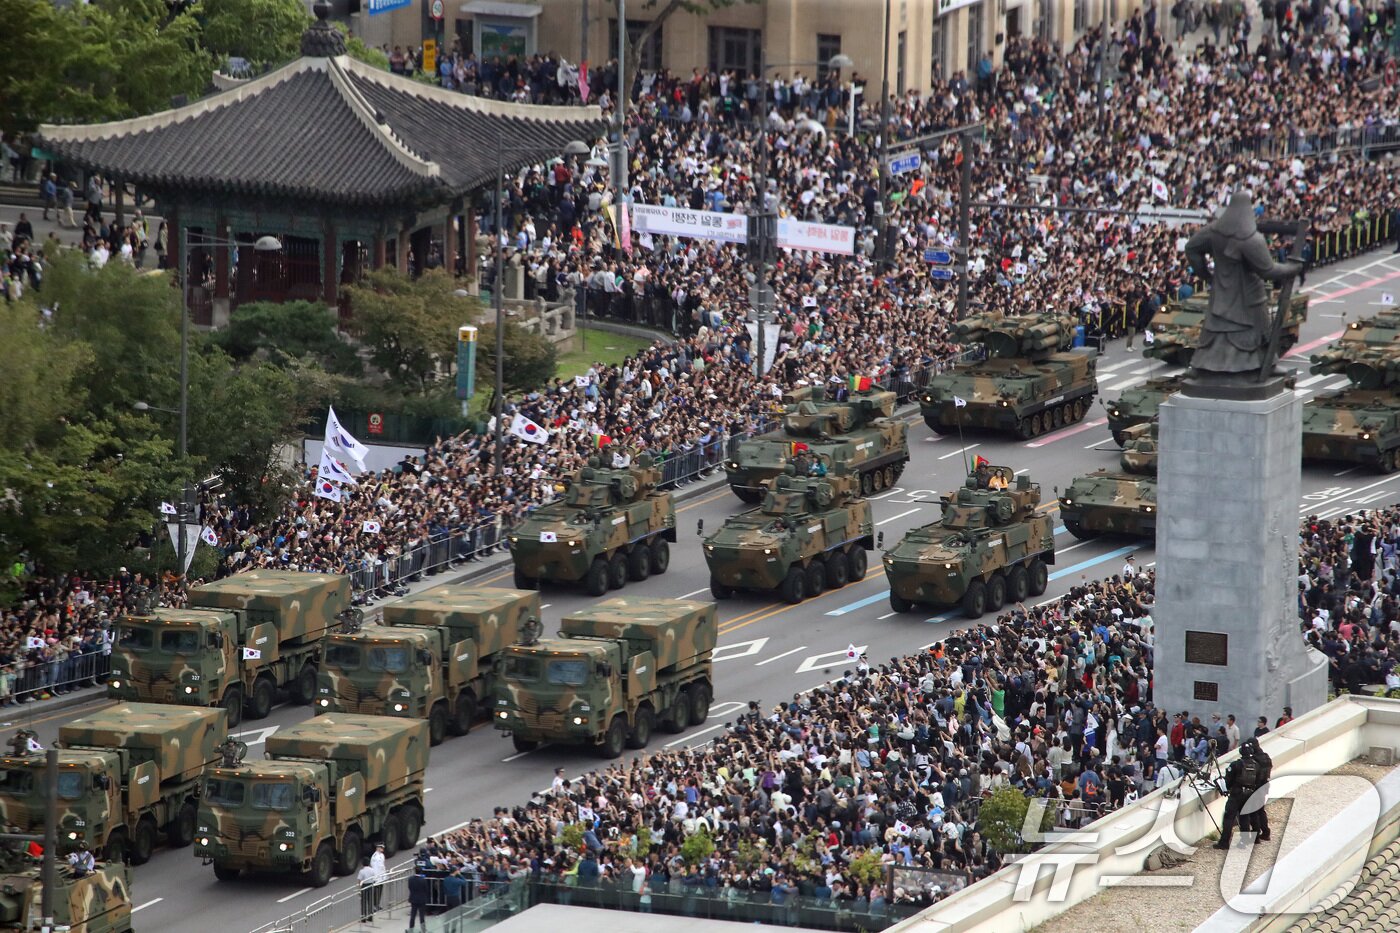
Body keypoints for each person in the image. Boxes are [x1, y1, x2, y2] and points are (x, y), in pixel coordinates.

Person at [1214, 737, 1268, 849]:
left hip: (1236, 794)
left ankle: (1224, 842)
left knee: (1229, 817)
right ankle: (1244, 842)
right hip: (1249, 794)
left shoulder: (1235, 765)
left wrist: (1228, 788)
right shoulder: (1256, 765)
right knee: (1245, 818)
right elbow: (1258, 780)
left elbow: (1228, 781)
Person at [407, 865, 430, 931]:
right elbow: (426, 889)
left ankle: (411, 928)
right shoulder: (423, 880)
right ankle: (423, 929)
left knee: (413, 915)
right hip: (421, 899)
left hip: (413, 898)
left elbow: (409, 887)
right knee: (421, 916)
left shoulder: (410, 879)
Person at [357, 856, 377, 921]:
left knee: (363, 902)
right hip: (371, 885)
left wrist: (359, 889)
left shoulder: (361, 871)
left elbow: (359, 881)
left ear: (363, 863)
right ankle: (370, 916)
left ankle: (363, 917)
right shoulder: (372, 870)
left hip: (364, 886)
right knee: (370, 901)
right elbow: (375, 878)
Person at [370, 842, 386, 909]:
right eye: (381, 847)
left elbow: (382, 867)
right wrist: (375, 878)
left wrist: (384, 876)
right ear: (378, 848)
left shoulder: (382, 855)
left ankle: (377, 904)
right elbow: (375, 868)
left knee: (379, 892)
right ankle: (374, 905)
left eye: (383, 847)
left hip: (381, 877)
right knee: (375, 892)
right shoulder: (375, 857)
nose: (382, 849)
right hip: (376, 877)